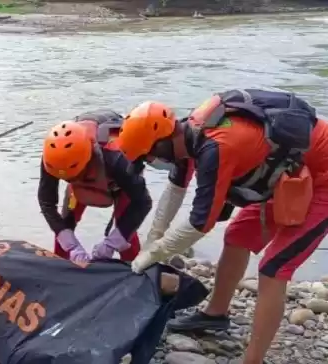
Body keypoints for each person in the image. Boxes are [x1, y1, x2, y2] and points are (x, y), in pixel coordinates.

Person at [116, 89, 328, 364]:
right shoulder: (187, 136)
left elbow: (200, 223)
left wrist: (154, 254)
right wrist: (152, 241)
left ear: (161, 144)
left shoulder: (217, 145)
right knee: (237, 235)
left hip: (321, 179)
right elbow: (174, 192)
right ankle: (215, 314)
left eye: (147, 157)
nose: (150, 163)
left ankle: (253, 360)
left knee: (274, 267)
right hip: (287, 177)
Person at [37, 110, 151, 263]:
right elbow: (46, 202)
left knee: (125, 226)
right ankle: (59, 268)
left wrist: (112, 243)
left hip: (118, 184)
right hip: (81, 177)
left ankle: (133, 270)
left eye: (73, 176)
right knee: (65, 224)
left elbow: (143, 202)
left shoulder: (118, 159)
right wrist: (70, 244)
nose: (69, 180)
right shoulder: (53, 158)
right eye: (65, 178)